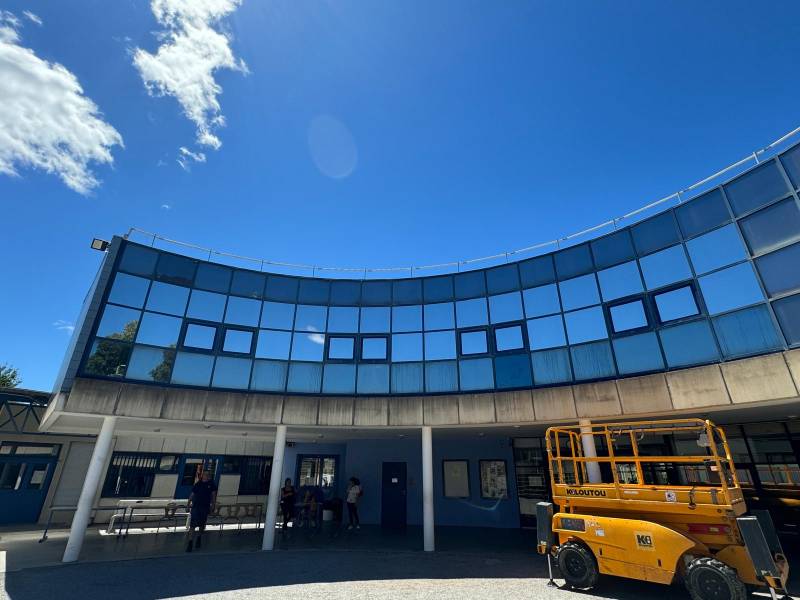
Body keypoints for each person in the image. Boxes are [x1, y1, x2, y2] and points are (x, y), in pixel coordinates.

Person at [186, 470, 217, 552]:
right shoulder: (198, 484)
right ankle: (190, 543)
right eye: (205, 474)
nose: (206, 476)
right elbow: (192, 494)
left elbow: (213, 496)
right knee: (192, 525)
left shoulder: (211, 484)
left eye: (208, 475)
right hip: (196, 507)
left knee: (201, 525)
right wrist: (188, 503)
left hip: (205, 507)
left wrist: (213, 505)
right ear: (202, 475)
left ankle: (199, 537)